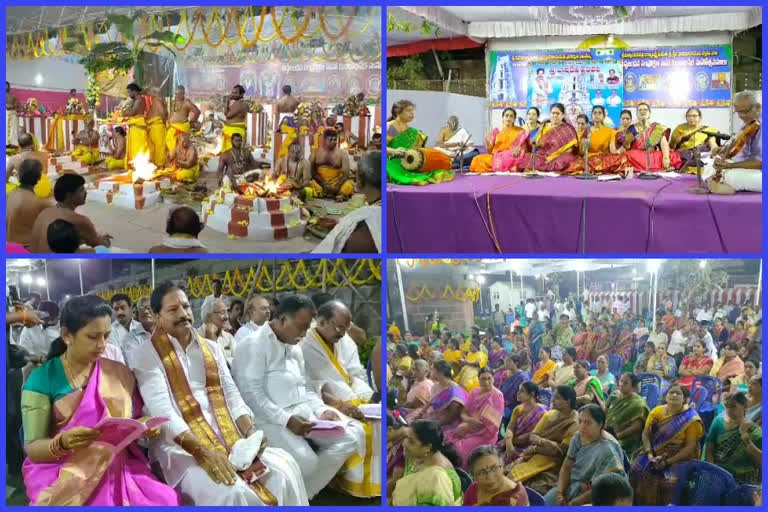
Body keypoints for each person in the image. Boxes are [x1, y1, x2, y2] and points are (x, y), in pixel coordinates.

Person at [132, 282, 308, 505]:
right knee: (232, 492)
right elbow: (162, 411)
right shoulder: (145, 353)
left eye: (185, 306)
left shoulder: (211, 348)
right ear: (157, 316)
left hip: (228, 436)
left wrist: (251, 432)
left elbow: (231, 394)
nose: (184, 314)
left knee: (284, 470)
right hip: (180, 446)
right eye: (173, 309)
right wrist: (202, 451)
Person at [20, 295, 180, 505]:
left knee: (167, 499)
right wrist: (62, 442)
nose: (102, 344)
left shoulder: (118, 372)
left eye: (106, 335)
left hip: (119, 463)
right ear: (67, 335)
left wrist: (145, 427)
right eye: (93, 337)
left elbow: (134, 419)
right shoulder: (42, 379)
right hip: (65, 469)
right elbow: (32, 447)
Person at [230, 294, 364, 499]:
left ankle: (303, 495)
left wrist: (323, 410)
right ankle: (295, 494)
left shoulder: (295, 348)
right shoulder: (253, 344)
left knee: (350, 438)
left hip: (303, 414)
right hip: (268, 420)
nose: (304, 334)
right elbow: (251, 396)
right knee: (308, 462)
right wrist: (287, 420)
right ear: (282, 319)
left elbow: (307, 388)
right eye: (301, 327)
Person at [631, 383, 704, 505]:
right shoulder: (656, 412)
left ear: (685, 399)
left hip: (679, 459)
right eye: (671, 392)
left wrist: (667, 462)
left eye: (678, 393)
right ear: (665, 396)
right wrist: (650, 455)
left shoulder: (691, 419)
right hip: (653, 454)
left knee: (669, 482)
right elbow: (645, 435)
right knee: (636, 468)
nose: (674, 395)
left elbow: (690, 447)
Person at [544, 404, 627, 505]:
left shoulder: (607, 450)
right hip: (573, 486)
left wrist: (575, 502)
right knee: (544, 503)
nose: (582, 426)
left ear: (600, 424)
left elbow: (604, 488)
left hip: (598, 495)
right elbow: (567, 466)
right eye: (580, 421)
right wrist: (559, 493)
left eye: (588, 423)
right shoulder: (578, 437)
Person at [506, 386, 578, 494]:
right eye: (553, 396)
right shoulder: (550, 414)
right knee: (505, 474)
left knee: (530, 487)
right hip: (533, 454)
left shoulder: (574, 422)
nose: (552, 400)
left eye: (557, 398)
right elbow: (533, 436)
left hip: (553, 463)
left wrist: (536, 447)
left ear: (567, 401)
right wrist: (545, 443)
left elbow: (560, 451)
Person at [312, 151, 381, 253]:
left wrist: (345, 225)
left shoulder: (362, 228)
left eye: (355, 174)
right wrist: (339, 222)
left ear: (361, 179)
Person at [30, 174, 112, 252]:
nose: (86, 192)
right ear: (69, 196)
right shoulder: (79, 220)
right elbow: (99, 244)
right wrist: (105, 239)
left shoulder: (45, 212)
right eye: (81, 190)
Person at [391, 419, 463, 505]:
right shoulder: (417, 455)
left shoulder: (437, 477)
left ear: (427, 447)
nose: (404, 444)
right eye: (405, 438)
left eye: (411, 441)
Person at [443, 367, 504, 468]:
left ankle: (464, 474)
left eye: (489, 378)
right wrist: (468, 420)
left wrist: (466, 427)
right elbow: (464, 412)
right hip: (467, 425)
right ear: (478, 379)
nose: (487, 382)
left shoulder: (496, 396)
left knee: (458, 450)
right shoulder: (474, 392)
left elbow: (489, 426)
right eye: (483, 379)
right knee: (445, 438)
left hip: (484, 434)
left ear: (493, 379)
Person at [706, 90, 762, 193]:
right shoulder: (751, 122)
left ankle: (728, 185)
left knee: (729, 175)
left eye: (745, 111)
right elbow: (739, 144)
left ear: (758, 107)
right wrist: (723, 150)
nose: (741, 115)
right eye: (738, 112)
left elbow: (760, 162)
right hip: (750, 166)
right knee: (710, 165)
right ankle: (725, 183)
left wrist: (730, 166)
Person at [386, 99, 453, 185]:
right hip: (393, 162)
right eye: (408, 110)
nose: (412, 113)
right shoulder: (392, 127)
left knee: (437, 172)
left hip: (409, 162)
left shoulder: (411, 131)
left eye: (412, 110)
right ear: (398, 112)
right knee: (406, 177)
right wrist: (394, 151)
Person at [705, 391, 762, 484]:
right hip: (718, 474)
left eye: (733, 406)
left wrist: (746, 438)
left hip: (743, 480)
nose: (729, 410)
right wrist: (713, 471)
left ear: (745, 406)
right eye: (727, 406)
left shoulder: (754, 431)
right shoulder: (718, 422)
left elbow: (761, 462)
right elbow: (709, 450)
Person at [517, 103, 578, 173]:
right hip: (542, 156)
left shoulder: (568, 129)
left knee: (567, 158)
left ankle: (543, 167)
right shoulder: (544, 126)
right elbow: (534, 144)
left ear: (563, 115)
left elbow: (570, 149)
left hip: (558, 157)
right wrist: (536, 138)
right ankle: (543, 167)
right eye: (553, 113)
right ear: (550, 114)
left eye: (557, 113)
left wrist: (553, 156)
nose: (555, 115)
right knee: (527, 157)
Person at [566, 106, 627, 175]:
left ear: (604, 116)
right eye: (594, 113)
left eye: (599, 113)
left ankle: (596, 170)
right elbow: (582, 153)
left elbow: (612, 151)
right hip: (590, 158)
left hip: (604, 157)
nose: (597, 115)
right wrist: (582, 144)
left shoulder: (610, 131)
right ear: (591, 116)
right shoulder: (587, 131)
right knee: (577, 163)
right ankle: (599, 169)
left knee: (622, 158)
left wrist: (620, 150)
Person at [622, 102, 682, 171]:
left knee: (674, 155)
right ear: (637, 114)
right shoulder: (632, 128)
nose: (642, 111)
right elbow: (627, 146)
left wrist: (666, 158)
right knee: (626, 155)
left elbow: (664, 144)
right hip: (636, 156)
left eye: (645, 109)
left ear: (649, 113)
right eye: (640, 110)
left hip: (652, 155)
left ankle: (659, 166)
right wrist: (627, 142)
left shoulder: (657, 127)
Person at [6, 159, 54, 247]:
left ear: (18, 175)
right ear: (39, 177)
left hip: (8, 246)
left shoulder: (11, 195)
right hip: (26, 248)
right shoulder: (39, 202)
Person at [464, 445, 529, 506]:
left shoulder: (514, 500)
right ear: (473, 476)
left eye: (494, 468)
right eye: (482, 473)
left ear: (502, 464)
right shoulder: (473, 489)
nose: (490, 477)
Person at [604, 373, 649, 459]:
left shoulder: (638, 404)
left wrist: (617, 436)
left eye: (625, 383)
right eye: (621, 381)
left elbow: (636, 427)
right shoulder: (614, 395)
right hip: (607, 433)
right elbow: (605, 413)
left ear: (633, 387)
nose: (621, 384)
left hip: (625, 440)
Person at [469, 108, 526, 173]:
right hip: (497, 157)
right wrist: (487, 142)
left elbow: (523, 147)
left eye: (511, 116)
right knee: (477, 159)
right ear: (503, 117)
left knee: (508, 157)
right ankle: (505, 167)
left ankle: (506, 167)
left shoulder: (520, 131)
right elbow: (490, 151)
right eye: (506, 115)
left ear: (514, 119)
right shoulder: (496, 131)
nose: (508, 118)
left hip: (511, 156)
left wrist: (517, 149)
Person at [503, 381, 548, 462]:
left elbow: (530, 436)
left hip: (529, 448)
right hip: (512, 442)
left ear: (532, 394)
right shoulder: (518, 409)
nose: (518, 393)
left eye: (522, 391)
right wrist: (508, 443)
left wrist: (509, 441)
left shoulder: (543, 412)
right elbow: (510, 427)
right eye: (518, 390)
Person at [308, 129, 353, 201]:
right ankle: (325, 192)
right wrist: (323, 184)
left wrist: (337, 186)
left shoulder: (342, 154)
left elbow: (346, 174)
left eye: (335, 139)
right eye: (330, 140)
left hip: (336, 181)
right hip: (319, 181)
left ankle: (340, 194)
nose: (334, 142)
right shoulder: (315, 152)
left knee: (348, 185)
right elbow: (311, 170)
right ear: (324, 140)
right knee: (308, 183)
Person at [669, 107, 719, 171]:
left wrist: (716, 151)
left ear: (700, 117)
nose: (691, 118)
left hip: (701, 166)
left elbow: (713, 145)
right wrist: (675, 141)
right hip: (683, 164)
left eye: (694, 116)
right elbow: (671, 147)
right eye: (689, 116)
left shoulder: (708, 130)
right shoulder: (679, 128)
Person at [6, 132, 52, 198]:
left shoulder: (14, 158)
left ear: (19, 145)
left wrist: (17, 176)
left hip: (28, 191)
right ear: (33, 143)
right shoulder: (44, 155)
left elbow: (5, 178)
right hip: (45, 188)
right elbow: (45, 172)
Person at [198, 298, 237, 365]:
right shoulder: (196, 336)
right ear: (209, 316)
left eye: (227, 312)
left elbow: (238, 362)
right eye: (222, 312)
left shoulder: (228, 337)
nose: (227, 317)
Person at [122, 83, 150, 170]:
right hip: (135, 126)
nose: (129, 94)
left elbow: (131, 113)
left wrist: (124, 112)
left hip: (138, 126)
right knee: (134, 148)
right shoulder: (135, 100)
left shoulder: (139, 100)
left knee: (138, 148)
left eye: (129, 92)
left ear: (134, 91)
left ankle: (139, 167)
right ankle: (135, 167)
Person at [121, 296, 154, 369]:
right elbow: (135, 365)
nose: (145, 311)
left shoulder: (166, 333)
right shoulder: (130, 338)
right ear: (137, 313)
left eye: (149, 308)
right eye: (141, 309)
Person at [166, 85, 200, 156]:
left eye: (179, 93)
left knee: (180, 148)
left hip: (181, 129)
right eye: (176, 93)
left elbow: (197, 111)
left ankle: (179, 163)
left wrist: (191, 122)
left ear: (183, 94)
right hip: (171, 127)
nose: (177, 95)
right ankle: (173, 163)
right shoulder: (173, 102)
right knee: (170, 148)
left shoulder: (186, 102)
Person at [107, 293, 141, 360]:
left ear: (130, 307)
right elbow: (116, 357)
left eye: (123, 308)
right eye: (116, 309)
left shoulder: (140, 326)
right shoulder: (110, 331)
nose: (119, 312)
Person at [221, 84, 248, 154]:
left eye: (235, 93)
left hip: (234, 132)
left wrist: (226, 101)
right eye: (232, 92)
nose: (232, 95)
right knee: (231, 154)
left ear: (242, 94)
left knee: (232, 155)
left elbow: (227, 115)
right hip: (234, 131)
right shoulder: (240, 103)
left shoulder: (239, 104)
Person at [7, 81, 20, 145]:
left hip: (12, 114)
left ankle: (13, 144)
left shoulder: (13, 96)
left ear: (9, 87)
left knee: (13, 130)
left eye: (7, 86)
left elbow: (16, 105)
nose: (6, 87)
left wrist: (14, 105)